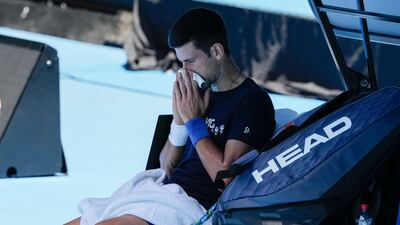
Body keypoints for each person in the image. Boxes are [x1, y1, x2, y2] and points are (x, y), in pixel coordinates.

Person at [65, 7, 275, 225]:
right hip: (162, 193)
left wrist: (194, 123)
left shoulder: (252, 102)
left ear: (217, 51)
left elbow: (227, 179)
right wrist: (179, 121)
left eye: (190, 61)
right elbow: (166, 168)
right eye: (181, 63)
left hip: (195, 206)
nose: (185, 71)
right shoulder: (198, 94)